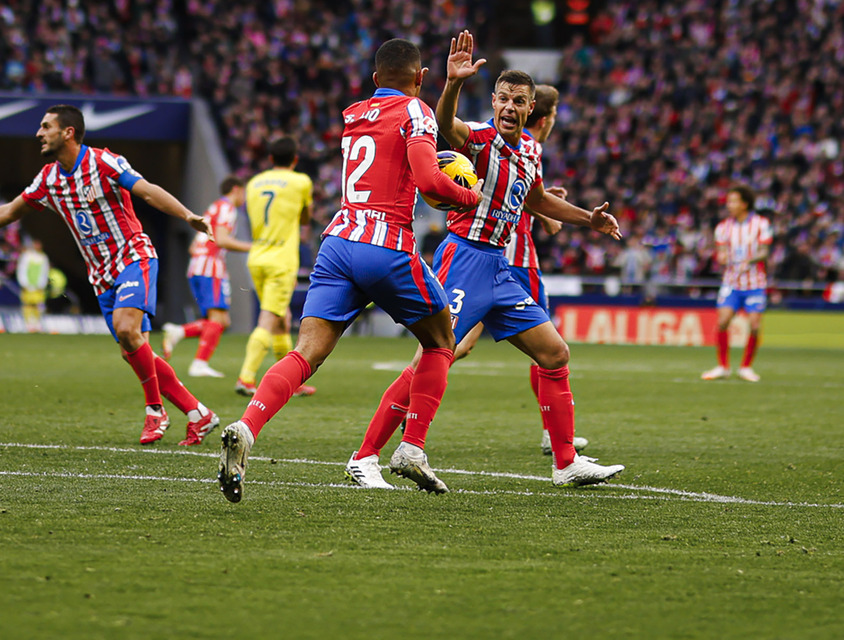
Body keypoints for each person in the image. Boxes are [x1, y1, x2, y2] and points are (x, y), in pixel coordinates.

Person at [346, 38, 625, 490]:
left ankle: (565, 462)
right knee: (432, 357)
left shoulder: (531, 152)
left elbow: (536, 200)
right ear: (493, 101)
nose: (510, 107)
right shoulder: (479, 137)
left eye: (519, 101)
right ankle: (366, 457)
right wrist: (453, 84)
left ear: (531, 107)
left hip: (500, 269)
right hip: (464, 258)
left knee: (554, 353)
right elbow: (443, 126)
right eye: (503, 99)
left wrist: (587, 219)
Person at [217, 37, 482, 504]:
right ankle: (413, 448)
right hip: (385, 245)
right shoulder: (416, 110)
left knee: (307, 351)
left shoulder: (355, 113)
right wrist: (467, 196)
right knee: (443, 340)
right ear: (420, 79)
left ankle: (248, 425)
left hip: (338, 243)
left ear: (376, 79)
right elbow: (427, 179)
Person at [0, 103, 220, 447]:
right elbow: (10, 211)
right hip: (100, 274)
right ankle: (199, 414)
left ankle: (155, 410)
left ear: (68, 132)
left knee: (128, 329)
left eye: (46, 126)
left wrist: (188, 216)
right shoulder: (49, 178)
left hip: (133, 256)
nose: (39, 133)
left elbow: (147, 189)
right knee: (136, 349)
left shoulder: (104, 162)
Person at [453, 81, 590, 457]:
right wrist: (543, 214)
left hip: (496, 254)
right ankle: (553, 435)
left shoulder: (523, 145)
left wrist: (545, 205)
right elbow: (509, 188)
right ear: (544, 116)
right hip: (510, 257)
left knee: (458, 343)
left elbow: (527, 191)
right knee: (544, 347)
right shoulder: (521, 142)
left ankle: (412, 403)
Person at [235, 138, 315, 398]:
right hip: (282, 260)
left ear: (270, 159)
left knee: (281, 320)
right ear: (294, 159)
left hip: (257, 256)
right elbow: (305, 218)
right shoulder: (301, 181)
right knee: (269, 318)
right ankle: (246, 377)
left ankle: (293, 382)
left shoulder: (254, 183)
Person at [162, 176, 250, 378]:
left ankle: (180, 332)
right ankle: (199, 364)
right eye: (243, 193)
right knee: (217, 319)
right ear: (236, 189)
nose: (244, 198)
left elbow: (194, 246)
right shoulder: (228, 208)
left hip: (197, 267)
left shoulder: (214, 208)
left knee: (221, 320)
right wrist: (253, 247)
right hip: (211, 268)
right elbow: (222, 239)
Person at [702, 183, 772, 382]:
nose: (729, 205)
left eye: (733, 201)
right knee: (723, 321)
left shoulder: (761, 224)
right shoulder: (723, 227)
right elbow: (721, 252)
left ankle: (746, 367)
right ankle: (723, 366)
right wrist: (722, 257)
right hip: (732, 282)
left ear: (745, 203)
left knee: (755, 325)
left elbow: (765, 251)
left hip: (755, 283)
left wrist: (750, 260)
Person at [16, 237, 50, 330]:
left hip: (38, 286)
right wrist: (23, 282)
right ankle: (28, 323)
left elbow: (45, 272)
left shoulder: (43, 257)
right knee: (27, 304)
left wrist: (42, 284)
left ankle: (37, 323)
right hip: (28, 285)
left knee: (38, 304)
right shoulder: (27, 256)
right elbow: (22, 270)